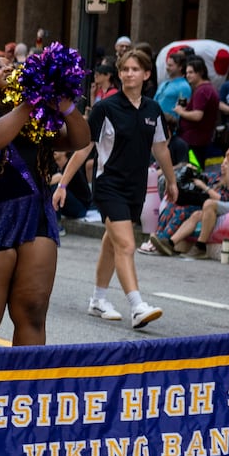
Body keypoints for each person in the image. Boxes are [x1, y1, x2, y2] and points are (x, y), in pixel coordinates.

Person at [0, 55, 90, 346]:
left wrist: (63, 102)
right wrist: (29, 102)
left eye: (11, 63)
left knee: (32, 311)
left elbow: (79, 139)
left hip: (35, 214)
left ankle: (25, 387)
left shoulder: (38, 116)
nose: (8, 67)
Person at [66, 49, 178, 328]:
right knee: (126, 244)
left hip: (136, 188)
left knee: (112, 240)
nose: (129, 73)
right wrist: (63, 183)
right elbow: (85, 148)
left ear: (147, 74)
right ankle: (137, 305)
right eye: (125, 69)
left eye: (135, 69)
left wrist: (172, 181)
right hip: (108, 185)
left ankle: (98, 299)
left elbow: (161, 148)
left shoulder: (153, 110)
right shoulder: (106, 108)